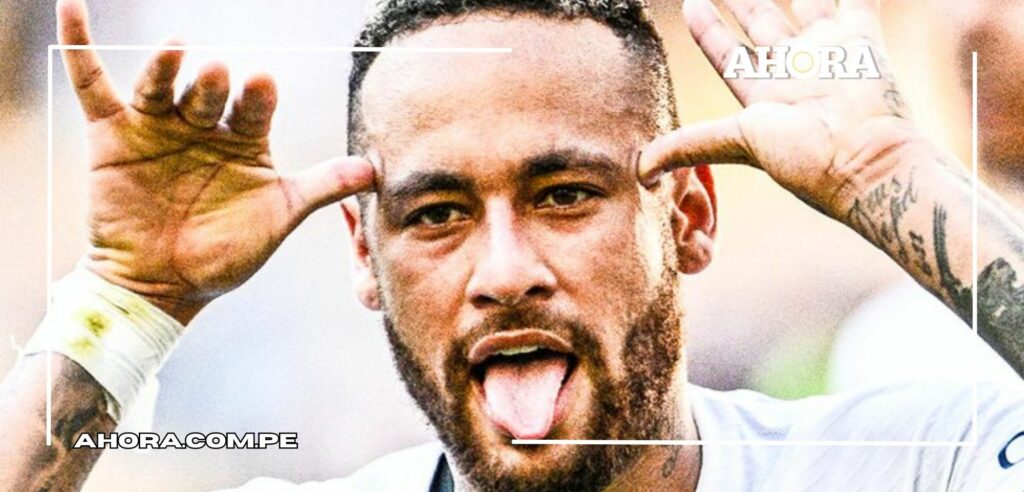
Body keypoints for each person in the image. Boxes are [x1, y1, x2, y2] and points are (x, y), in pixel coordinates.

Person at [1, 0, 1022, 491]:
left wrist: (892, 173)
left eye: (565, 195)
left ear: (689, 219)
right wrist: (128, 302)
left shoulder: (909, 465)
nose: (504, 273)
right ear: (364, 256)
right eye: (436, 214)